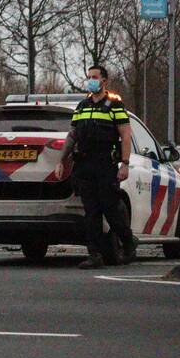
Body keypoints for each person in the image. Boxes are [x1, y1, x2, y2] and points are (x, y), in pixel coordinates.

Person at [54, 65, 136, 269]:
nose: (91, 80)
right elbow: (72, 135)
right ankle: (94, 254)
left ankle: (128, 242)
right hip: (84, 164)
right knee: (91, 212)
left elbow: (126, 135)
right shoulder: (82, 106)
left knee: (110, 208)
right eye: (89, 77)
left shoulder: (114, 106)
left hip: (105, 164)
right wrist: (61, 160)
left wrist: (125, 164)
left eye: (95, 77)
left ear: (104, 81)